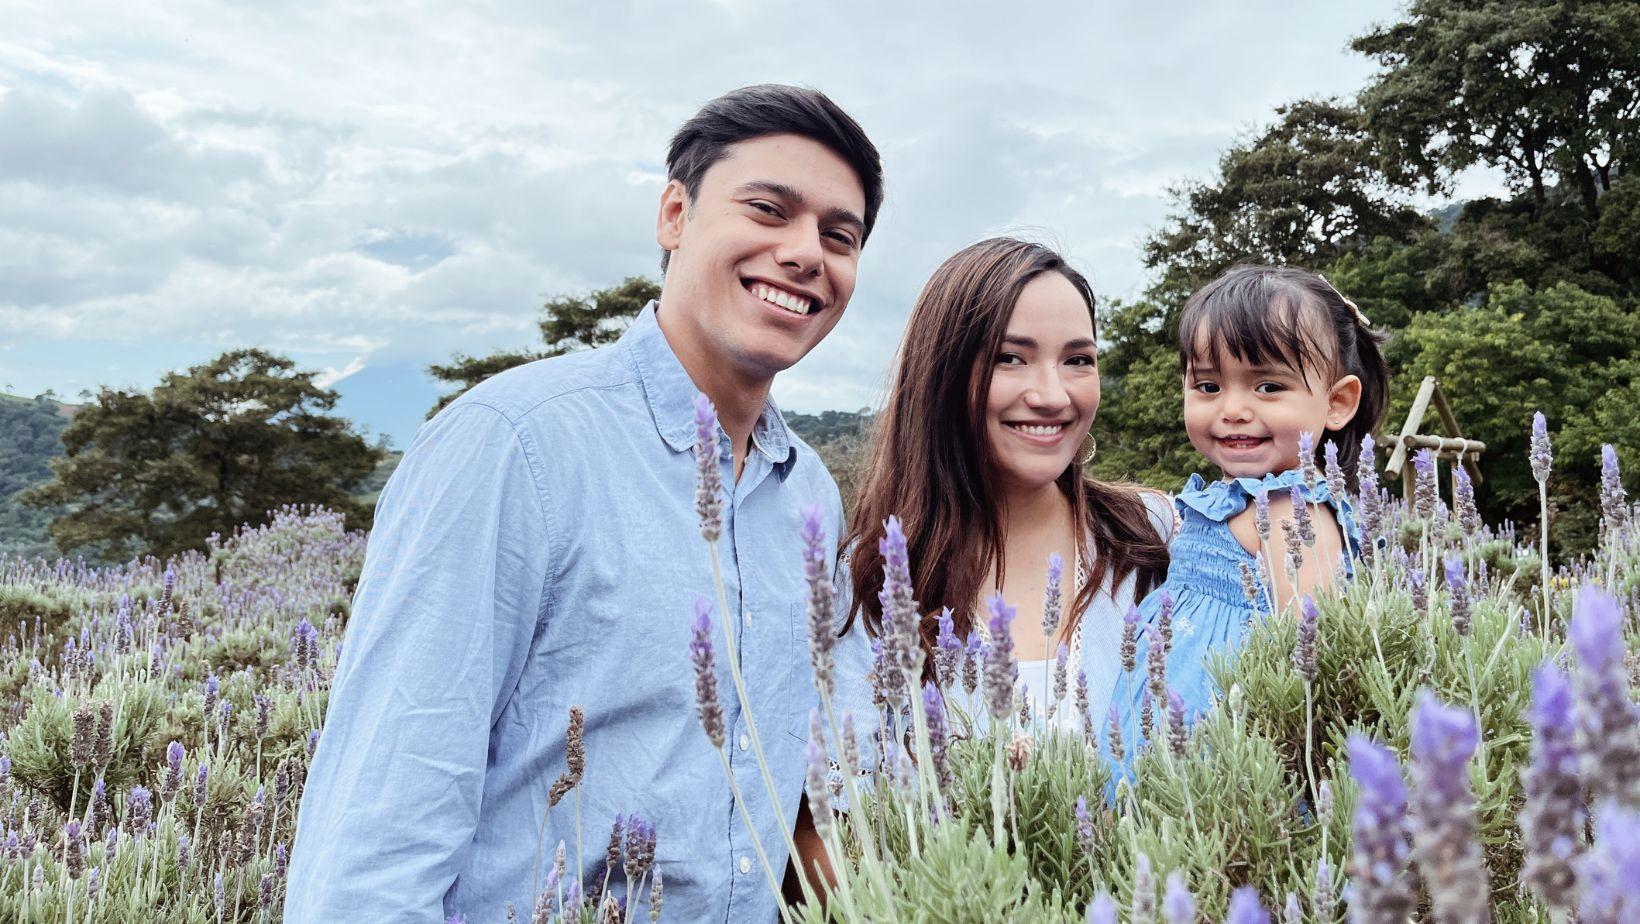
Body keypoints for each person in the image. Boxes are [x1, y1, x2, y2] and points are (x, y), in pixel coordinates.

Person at [285, 84, 883, 923]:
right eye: (768, 210)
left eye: (838, 235)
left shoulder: (809, 495)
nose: (804, 252)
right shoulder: (514, 445)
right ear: (675, 215)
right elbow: (378, 827)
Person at [842, 237, 1170, 736]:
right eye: (1010, 358)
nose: (1052, 395)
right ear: (942, 375)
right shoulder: (870, 581)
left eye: (1078, 360)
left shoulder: (1152, 537)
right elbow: (851, 798)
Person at [1109, 264, 1389, 765]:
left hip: (1231, 755)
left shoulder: (1292, 515)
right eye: (1209, 387)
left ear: (1337, 403)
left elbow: (1310, 656)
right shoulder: (1229, 498)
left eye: (1268, 387)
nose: (1233, 408)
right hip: (1160, 725)